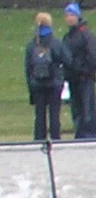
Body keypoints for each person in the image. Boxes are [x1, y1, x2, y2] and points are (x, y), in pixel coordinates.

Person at [60, 3, 96, 140]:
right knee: (76, 108)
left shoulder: (86, 35)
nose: (69, 18)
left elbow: (94, 55)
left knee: (87, 107)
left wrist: (85, 69)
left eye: (72, 15)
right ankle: (80, 133)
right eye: (67, 15)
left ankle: (89, 134)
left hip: (85, 77)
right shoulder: (67, 37)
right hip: (72, 78)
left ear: (78, 16)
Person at [24, 12, 65, 145]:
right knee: (54, 113)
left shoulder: (32, 45)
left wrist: (31, 85)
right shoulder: (56, 42)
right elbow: (66, 59)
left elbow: (28, 67)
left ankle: (39, 139)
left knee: (40, 114)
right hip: (54, 83)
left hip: (37, 84)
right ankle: (55, 138)